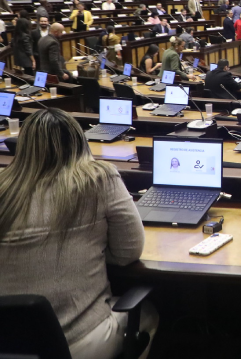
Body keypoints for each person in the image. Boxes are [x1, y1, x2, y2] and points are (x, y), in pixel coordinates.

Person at [0, 109, 156, 359]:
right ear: (79, 141)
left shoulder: (3, 185)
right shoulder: (99, 178)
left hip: (8, 346)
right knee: (146, 313)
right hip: (77, 342)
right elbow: (128, 253)